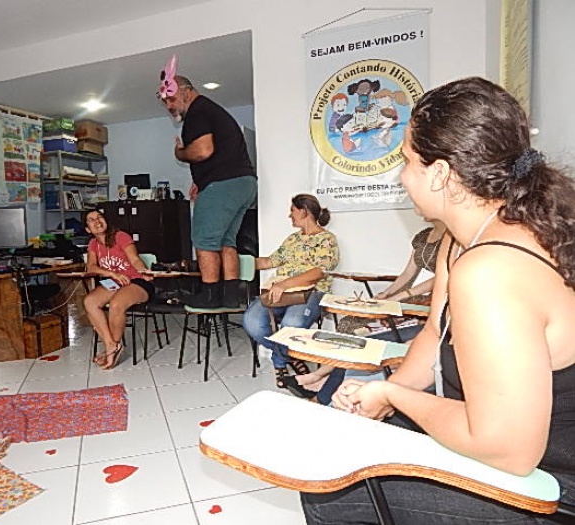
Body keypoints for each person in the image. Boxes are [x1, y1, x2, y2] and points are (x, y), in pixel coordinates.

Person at [301, 77, 575, 523]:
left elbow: (508, 450)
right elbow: (433, 334)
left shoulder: (492, 270)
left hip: (546, 481)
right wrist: (383, 400)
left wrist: (391, 392)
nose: (402, 176)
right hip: (495, 435)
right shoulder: (463, 239)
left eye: (408, 161)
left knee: (329, 490)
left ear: (441, 173)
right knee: (345, 444)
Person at [285, 220, 446, 402]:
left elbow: (442, 278)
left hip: (426, 303)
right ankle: (322, 378)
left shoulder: (453, 241)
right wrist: (387, 293)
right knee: (348, 323)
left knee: (360, 335)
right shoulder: (424, 235)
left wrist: (402, 296)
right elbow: (408, 274)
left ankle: (320, 382)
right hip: (406, 296)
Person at [157, 55, 257, 308]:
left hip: (223, 184)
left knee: (204, 240)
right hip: (243, 183)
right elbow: (217, 154)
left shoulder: (197, 112)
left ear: (187, 91)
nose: (169, 105)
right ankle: (231, 296)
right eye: (165, 101)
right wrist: (200, 181)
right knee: (226, 241)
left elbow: (202, 151)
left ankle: (210, 296)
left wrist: (180, 153)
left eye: (172, 98)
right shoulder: (212, 111)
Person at [242, 194, 339, 389]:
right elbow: (269, 262)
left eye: (292, 210)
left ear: (304, 211)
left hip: (310, 293)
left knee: (291, 324)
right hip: (280, 293)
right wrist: (232, 261)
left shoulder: (327, 239)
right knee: (252, 321)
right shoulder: (293, 239)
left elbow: (319, 272)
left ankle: (279, 363)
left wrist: (284, 284)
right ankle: (291, 356)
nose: (289, 215)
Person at [83, 210, 155, 370]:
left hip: (136, 281)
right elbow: (91, 267)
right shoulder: (93, 244)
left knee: (116, 304)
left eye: (100, 217)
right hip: (115, 282)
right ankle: (111, 345)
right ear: (87, 229)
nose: (97, 221)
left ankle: (112, 351)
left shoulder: (121, 236)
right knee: (90, 302)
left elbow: (135, 259)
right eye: (92, 220)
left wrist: (144, 271)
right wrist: (112, 274)